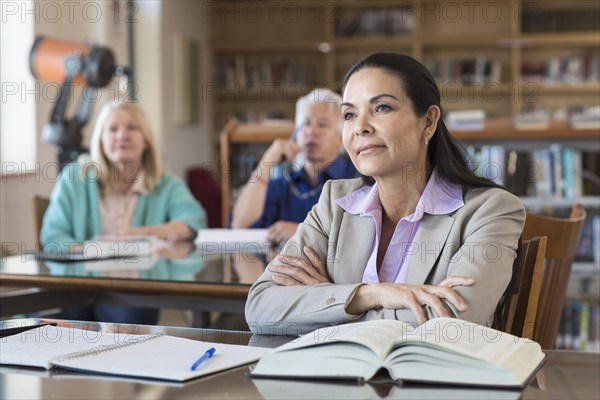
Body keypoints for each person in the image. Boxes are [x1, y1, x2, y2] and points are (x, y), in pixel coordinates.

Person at [245, 53, 525, 334]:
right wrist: (367, 295)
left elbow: (451, 322)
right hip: (338, 375)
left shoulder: (491, 210)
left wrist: (326, 299)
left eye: (381, 108)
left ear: (428, 121)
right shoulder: (334, 203)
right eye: (349, 115)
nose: (360, 127)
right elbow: (260, 308)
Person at [40, 103, 207, 324]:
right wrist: (102, 250)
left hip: (134, 291)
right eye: (113, 129)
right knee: (50, 322)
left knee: (129, 321)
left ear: (146, 139)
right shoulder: (74, 178)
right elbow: (53, 239)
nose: (122, 135)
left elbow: (192, 221)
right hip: (77, 286)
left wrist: (139, 234)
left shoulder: (167, 184)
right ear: (100, 140)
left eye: (132, 128)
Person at [230, 88, 357, 244]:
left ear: (341, 138)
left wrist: (304, 232)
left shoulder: (357, 180)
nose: (312, 131)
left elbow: (363, 234)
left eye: (322, 125)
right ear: (296, 134)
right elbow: (239, 226)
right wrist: (266, 162)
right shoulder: (283, 183)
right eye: (305, 124)